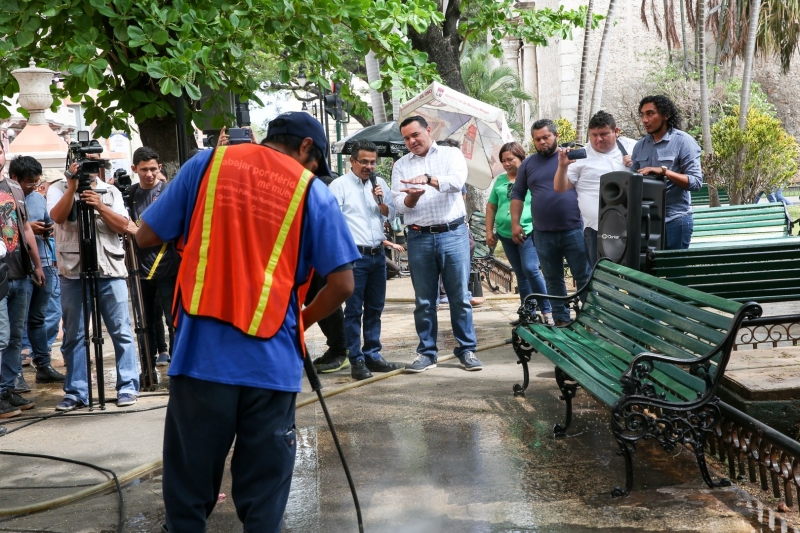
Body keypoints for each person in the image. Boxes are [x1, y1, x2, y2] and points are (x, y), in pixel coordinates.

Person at [135, 111, 358, 532]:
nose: (311, 171)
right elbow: (343, 284)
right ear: (306, 147)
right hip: (272, 365)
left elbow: (146, 236)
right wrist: (301, 324)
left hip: (200, 359)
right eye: (314, 162)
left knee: (188, 493)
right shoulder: (312, 191)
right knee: (263, 500)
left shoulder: (207, 164)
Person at [48, 156, 140, 411]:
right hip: (74, 272)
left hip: (109, 270)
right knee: (74, 335)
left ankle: (128, 386)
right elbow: (57, 217)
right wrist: (72, 188)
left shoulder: (109, 191)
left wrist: (99, 205)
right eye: (82, 164)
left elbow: (124, 226)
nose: (87, 170)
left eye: (92, 165)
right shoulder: (58, 188)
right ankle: (77, 392)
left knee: (121, 331)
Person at [392, 115, 481, 373]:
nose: (411, 141)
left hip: (453, 234)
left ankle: (467, 350)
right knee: (424, 300)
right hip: (419, 237)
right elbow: (398, 203)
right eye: (406, 138)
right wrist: (412, 199)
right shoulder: (401, 165)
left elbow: (456, 183)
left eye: (415, 135)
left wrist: (428, 179)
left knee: (459, 297)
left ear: (428, 131)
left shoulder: (451, 154)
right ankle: (427, 353)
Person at [329, 140, 403, 380]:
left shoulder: (379, 184)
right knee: (353, 311)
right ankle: (357, 360)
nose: (370, 167)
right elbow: (333, 221)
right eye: (365, 162)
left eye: (373, 162)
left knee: (375, 308)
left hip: (377, 256)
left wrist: (379, 201)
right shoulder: (339, 186)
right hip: (354, 257)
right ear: (352, 161)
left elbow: (390, 214)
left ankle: (373, 354)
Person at [511, 119, 592, 327]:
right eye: (537, 139)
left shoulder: (572, 158)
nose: (542, 142)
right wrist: (515, 223)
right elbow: (518, 194)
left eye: (546, 137)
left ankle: (591, 319)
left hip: (573, 229)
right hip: (543, 233)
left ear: (556, 136)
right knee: (552, 278)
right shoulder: (528, 164)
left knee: (583, 276)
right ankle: (561, 319)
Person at [554, 110, 636, 264]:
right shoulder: (582, 156)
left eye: (604, 134)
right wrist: (562, 166)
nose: (598, 139)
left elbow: (652, 176)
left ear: (616, 131)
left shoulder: (633, 148)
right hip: (596, 230)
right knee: (603, 279)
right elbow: (560, 188)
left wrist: (637, 163)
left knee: (634, 277)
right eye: (594, 135)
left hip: (631, 226)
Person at [485, 142, 553, 326]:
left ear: (521, 158)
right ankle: (527, 313)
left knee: (531, 269)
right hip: (505, 234)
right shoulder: (500, 180)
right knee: (521, 274)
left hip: (527, 232)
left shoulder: (531, 177)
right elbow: (491, 206)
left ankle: (547, 311)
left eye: (510, 159)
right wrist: (489, 231)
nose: (506, 164)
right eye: (503, 161)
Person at [125, 147, 179, 371]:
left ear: (160, 168)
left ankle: (176, 368)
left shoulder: (170, 192)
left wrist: (137, 231)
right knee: (144, 323)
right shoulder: (127, 194)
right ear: (134, 169)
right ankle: (147, 371)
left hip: (169, 269)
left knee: (173, 322)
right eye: (144, 169)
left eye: (153, 169)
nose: (149, 174)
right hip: (139, 270)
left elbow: (172, 228)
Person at [11, 160, 64, 385]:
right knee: (15, 324)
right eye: (29, 182)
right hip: (18, 269)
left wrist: (46, 228)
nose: (34, 186)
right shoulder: (8, 198)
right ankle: (14, 376)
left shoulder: (37, 198)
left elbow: (50, 221)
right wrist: (27, 229)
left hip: (42, 263)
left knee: (38, 319)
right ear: (15, 178)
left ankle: (43, 365)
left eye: (37, 182)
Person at [0, 156, 46, 412]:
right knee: (1, 337)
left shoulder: (15, 188)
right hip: (0, 276)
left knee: (15, 337)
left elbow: (25, 228)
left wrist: (38, 265)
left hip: (20, 272)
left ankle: (8, 390)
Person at [629, 95, 703, 250]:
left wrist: (664, 171)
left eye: (650, 113)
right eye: (642, 115)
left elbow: (696, 182)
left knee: (674, 273)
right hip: (645, 222)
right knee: (646, 274)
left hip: (676, 221)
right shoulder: (640, 146)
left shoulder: (684, 141)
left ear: (665, 115)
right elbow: (632, 181)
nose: (645, 120)